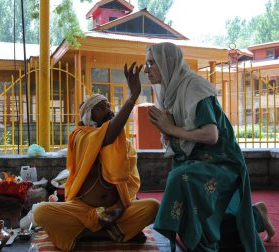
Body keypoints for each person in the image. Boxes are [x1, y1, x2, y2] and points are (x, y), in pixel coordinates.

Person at [144, 42, 275, 251]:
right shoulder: (168, 91)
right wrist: (166, 131)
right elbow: (175, 134)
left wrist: (171, 128)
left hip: (221, 161)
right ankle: (256, 216)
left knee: (181, 179)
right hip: (192, 160)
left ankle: (199, 244)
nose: (145, 69)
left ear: (166, 63)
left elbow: (211, 135)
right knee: (212, 217)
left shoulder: (194, 87)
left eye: (151, 64)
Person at [33, 62, 160, 251]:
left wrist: (118, 207)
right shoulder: (80, 135)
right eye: (101, 108)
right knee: (41, 212)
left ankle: (85, 233)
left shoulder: (123, 144)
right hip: (82, 209)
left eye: (109, 106)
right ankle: (112, 233)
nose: (109, 110)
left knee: (152, 207)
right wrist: (133, 96)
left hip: (115, 209)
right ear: (88, 116)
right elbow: (106, 136)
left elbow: (132, 182)